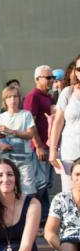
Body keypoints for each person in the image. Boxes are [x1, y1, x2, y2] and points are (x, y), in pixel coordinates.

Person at [0, 85, 38, 194]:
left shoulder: (26, 115)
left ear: (19, 98)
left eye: (15, 96)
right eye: (9, 97)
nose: (12, 99)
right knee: (8, 191)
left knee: (29, 192)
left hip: (25, 160)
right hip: (7, 160)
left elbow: (30, 134)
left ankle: (30, 211)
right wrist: (0, 145)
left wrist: (12, 131)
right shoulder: (0, 117)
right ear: (5, 100)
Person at [44, 158, 80, 251]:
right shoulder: (61, 199)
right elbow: (49, 232)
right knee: (69, 242)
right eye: (77, 174)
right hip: (66, 247)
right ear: (71, 177)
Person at [23, 65, 53, 218]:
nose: (51, 80)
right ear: (37, 79)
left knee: (45, 184)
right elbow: (30, 123)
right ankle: (29, 215)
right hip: (38, 147)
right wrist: (39, 146)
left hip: (49, 146)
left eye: (52, 77)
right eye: (47, 78)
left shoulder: (48, 96)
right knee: (40, 183)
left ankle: (44, 218)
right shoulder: (33, 96)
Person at [50, 55, 80, 192]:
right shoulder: (68, 93)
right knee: (69, 196)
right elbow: (58, 123)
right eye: (79, 69)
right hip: (70, 154)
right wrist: (53, 150)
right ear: (75, 71)